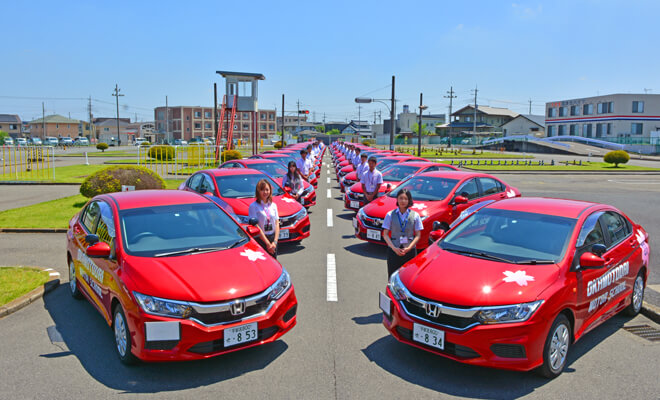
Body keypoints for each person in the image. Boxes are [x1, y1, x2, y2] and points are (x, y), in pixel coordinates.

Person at [382, 189, 423, 277]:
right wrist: (394, 248)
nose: (403, 201)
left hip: (409, 251)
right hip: (394, 250)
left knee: (408, 276)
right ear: (397, 199)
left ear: (409, 200)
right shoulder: (390, 214)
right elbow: (385, 234)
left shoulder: (415, 215)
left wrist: (409, 248)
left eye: (405, 198)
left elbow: (418, 235)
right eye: (401, 198)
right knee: (392, 275)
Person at [248, 179, 280, 258]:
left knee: (274, 264)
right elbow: (256, 226)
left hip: (273, 240)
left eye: (267, 189)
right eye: (262, 190)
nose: (265, 192)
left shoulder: (273, 205)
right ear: (258, 191)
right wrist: (267, 244)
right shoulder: (253, 206)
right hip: (261, 239)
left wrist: (274, 242)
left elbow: (277, 224)